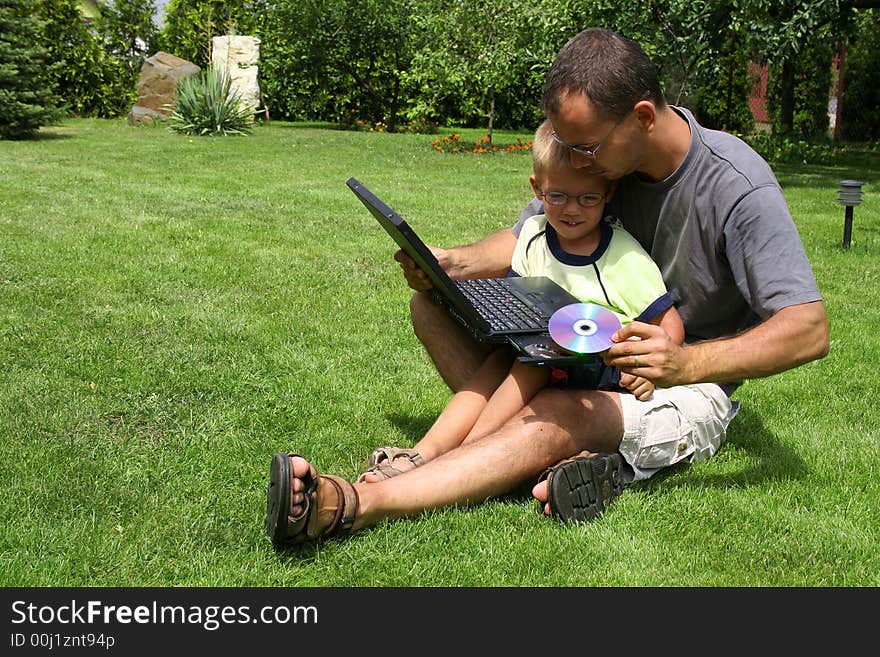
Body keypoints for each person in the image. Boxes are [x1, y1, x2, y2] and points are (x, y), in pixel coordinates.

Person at [265, 27, 828, 546]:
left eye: (584, 147)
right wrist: (452, 265)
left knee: (558, 409)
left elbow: (807, 330)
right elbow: (525, 237)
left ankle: (352, 503)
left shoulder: (736, 186)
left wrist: (683, 364)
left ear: (640, 119)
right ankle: (555, 461)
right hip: (574, 350)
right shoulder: (598, 169)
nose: (577, 164)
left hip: (679, 386)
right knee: (431, 308)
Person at [357, 119, 684, 484]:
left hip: (598, 369)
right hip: (538, 353)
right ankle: (425, 451)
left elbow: (669, 324)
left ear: (608, 193)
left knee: (534, 362)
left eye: (587, 198)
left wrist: (644, 370)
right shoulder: (532, 234)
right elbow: (519, 293)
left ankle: (461, 458)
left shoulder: (623, 256)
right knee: (503, 361)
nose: (571, 209)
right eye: (557, 196)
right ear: (538, 189)